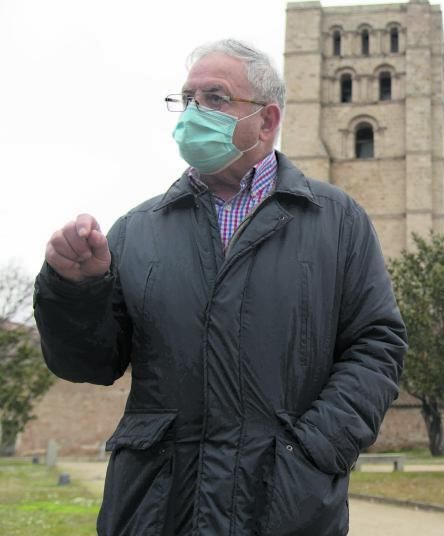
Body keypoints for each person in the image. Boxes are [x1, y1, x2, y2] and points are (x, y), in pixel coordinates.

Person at [33, 39, 407, 536]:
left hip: (285, 509)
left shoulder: (337, 222)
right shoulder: (138, 229)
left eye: (214, 98)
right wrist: (76, 289)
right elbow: (91, 363)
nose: (193, 112)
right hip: (156, 510)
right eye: (187, 99)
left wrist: (314, 450)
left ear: (267, 121)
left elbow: (377, 346)